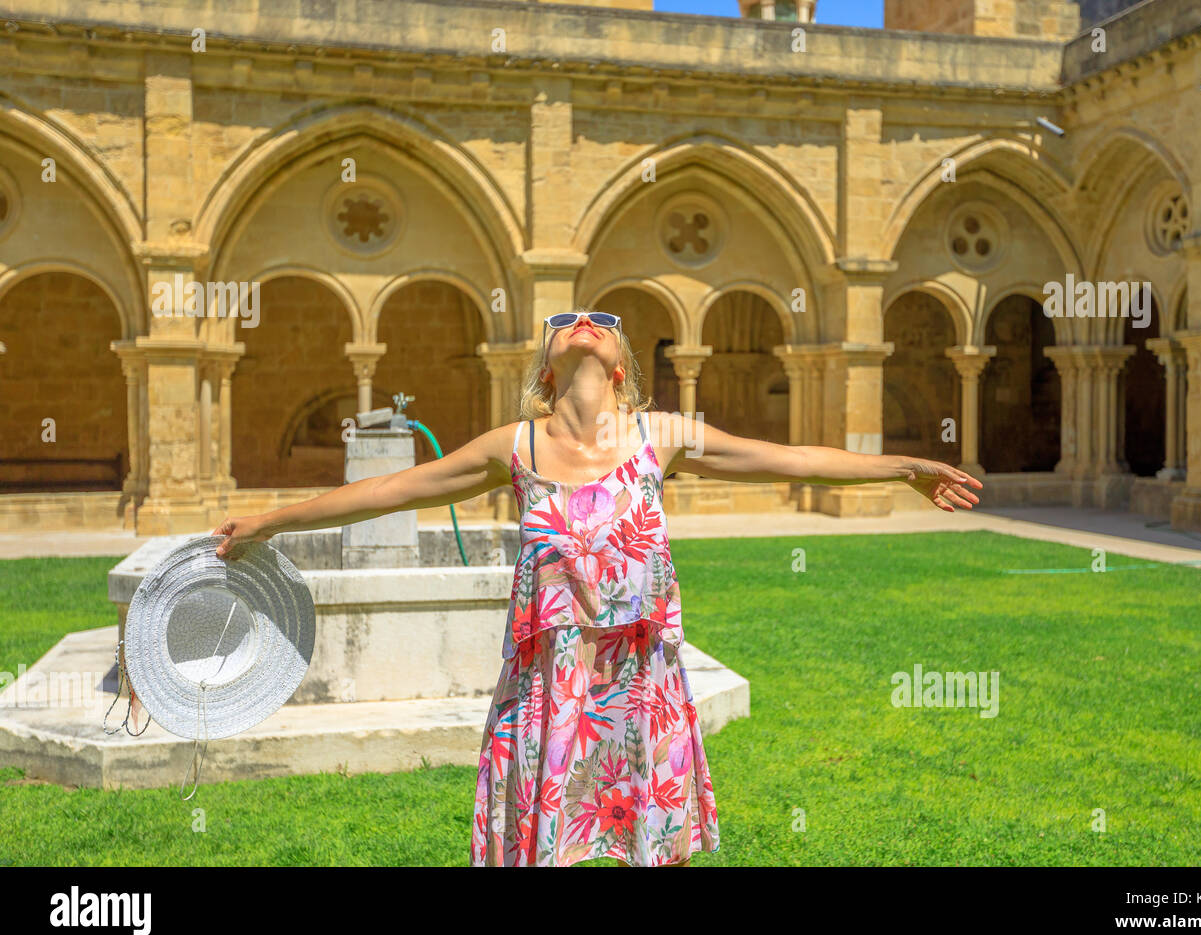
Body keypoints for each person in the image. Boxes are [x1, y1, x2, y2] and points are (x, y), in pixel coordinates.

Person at [212, 309, 982, 867]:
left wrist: (903, 467)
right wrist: (274, 521)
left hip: (640, 684)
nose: (583, 320)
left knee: (636, 847)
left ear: (619, 367)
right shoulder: (512, 446)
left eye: (600, 319)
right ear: (546, 368)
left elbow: (789, 458)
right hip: (550, 687)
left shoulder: (662, 436)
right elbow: (394, 490)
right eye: (567, 319)